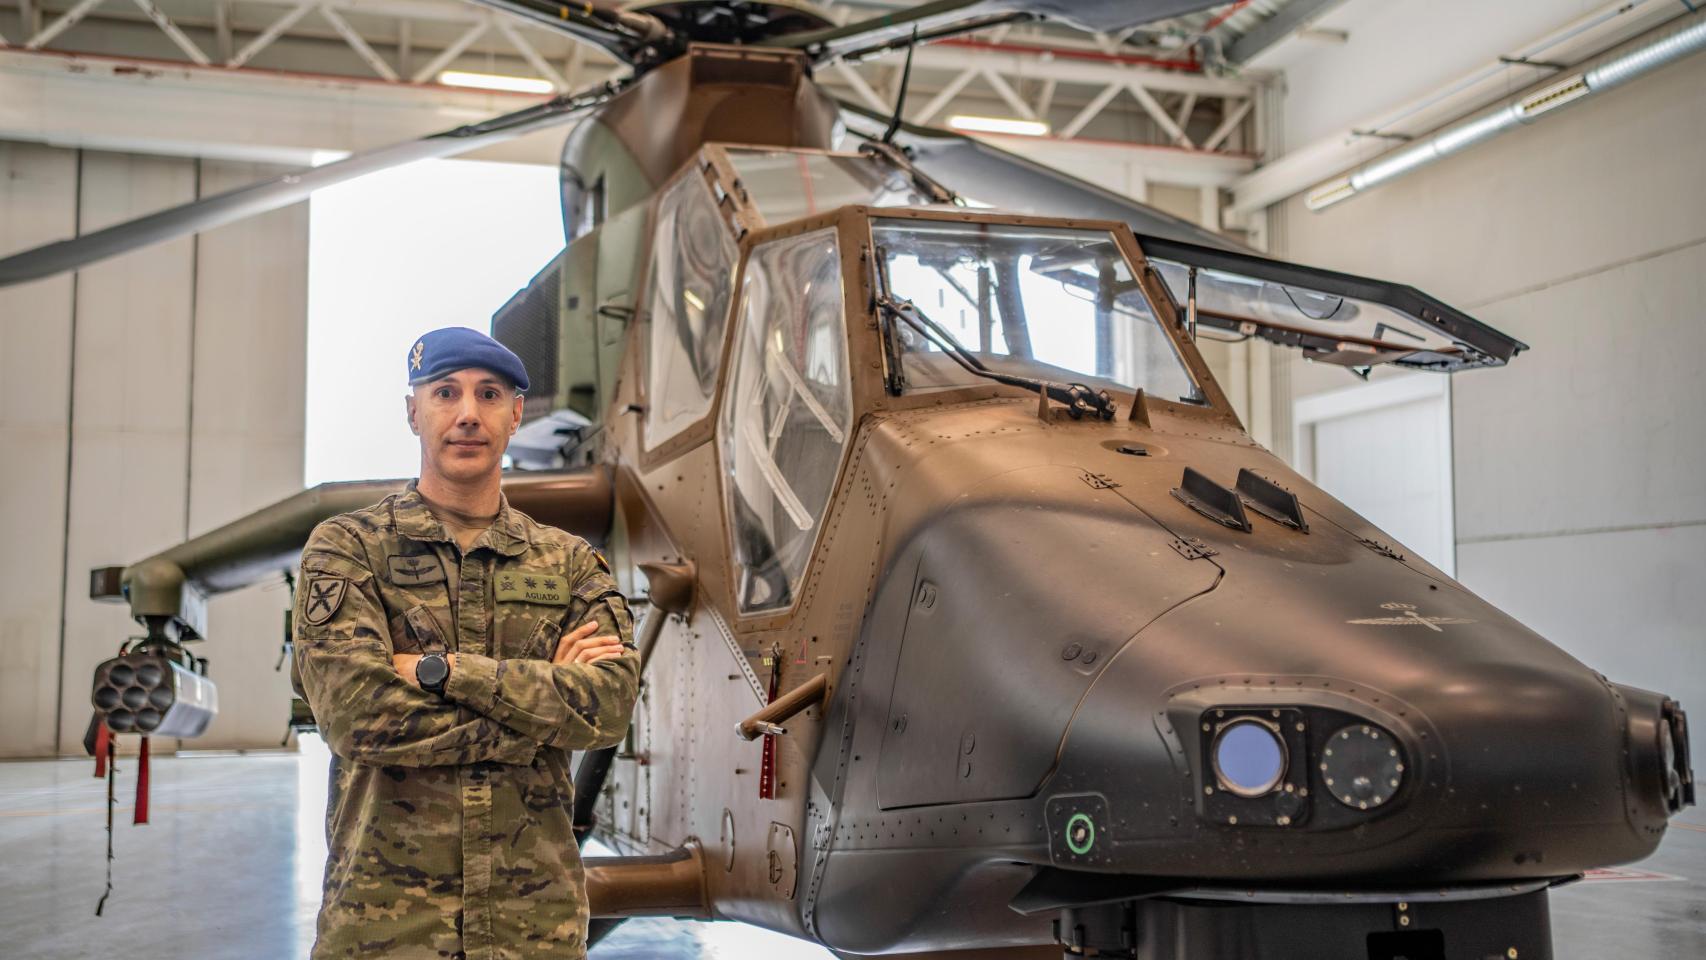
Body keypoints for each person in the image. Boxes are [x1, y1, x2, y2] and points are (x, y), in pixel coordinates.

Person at [290, 326, 639, 960]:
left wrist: (440, 672)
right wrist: (543, 714)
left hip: (533, 931)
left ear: (516, 415)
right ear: (413, 412)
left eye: (489, 394)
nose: (468, 414)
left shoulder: (571, 564)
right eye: (446, 393)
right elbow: (357, 717)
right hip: (386, 930)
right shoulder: (348, 548)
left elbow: (609, 707)